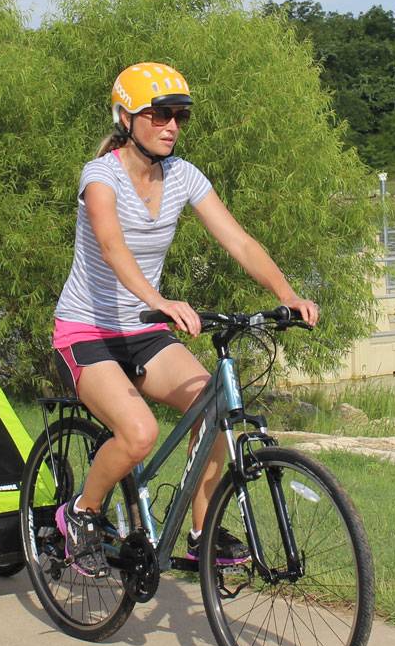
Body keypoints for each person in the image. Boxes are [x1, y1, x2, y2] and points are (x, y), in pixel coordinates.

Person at [52, 62, 318, 578]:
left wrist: (288, 295)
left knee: (212, 403)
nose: (172, 125)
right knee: (139, 432)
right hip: (87, 331)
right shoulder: (99, 176)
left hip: (144, 331)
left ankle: (202, 533)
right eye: (160, 114)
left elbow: (239, 240)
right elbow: (111, 246)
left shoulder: (184, 176)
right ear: (126, 118)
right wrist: (162, 299)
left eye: (180, 116)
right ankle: (81, 514)